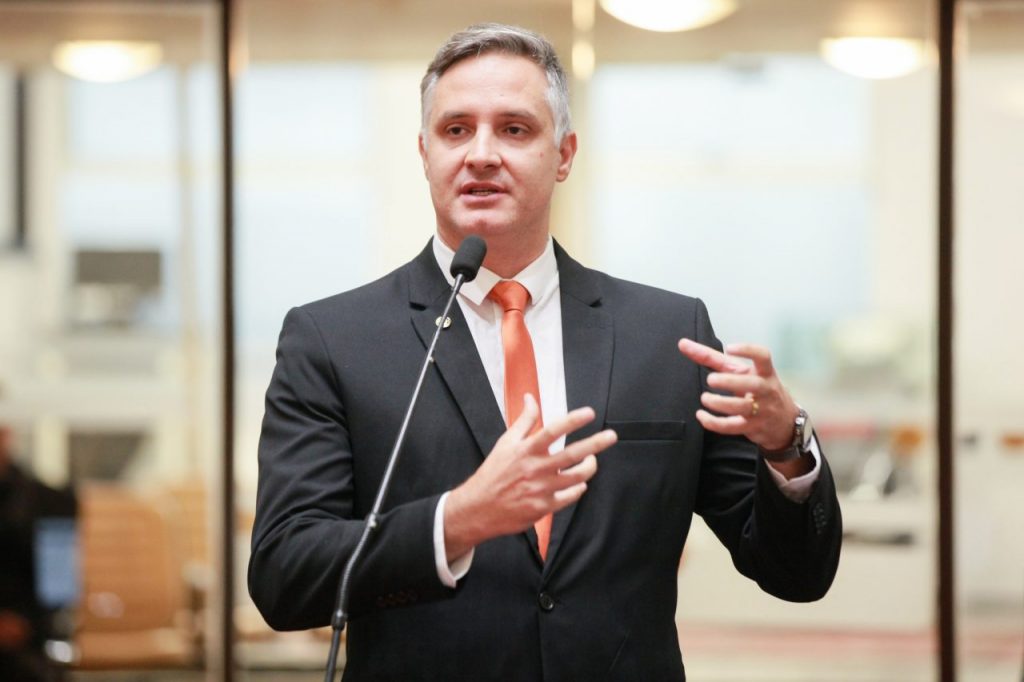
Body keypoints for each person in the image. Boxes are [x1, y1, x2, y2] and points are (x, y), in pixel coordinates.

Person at [249, 23, 841, 680]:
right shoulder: (333, 340)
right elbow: (284, 575)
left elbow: (796, 575)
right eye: (455, 130)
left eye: (514, 129)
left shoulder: (668, 335)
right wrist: (457, 520)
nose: (480, 154)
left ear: (563, 153)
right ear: (424, 152)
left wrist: (787, 445)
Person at [0, 427, 76, 682]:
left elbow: (59, 587)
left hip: (27, 633)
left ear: (5, 435)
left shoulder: (51, 502)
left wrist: (26, 623)